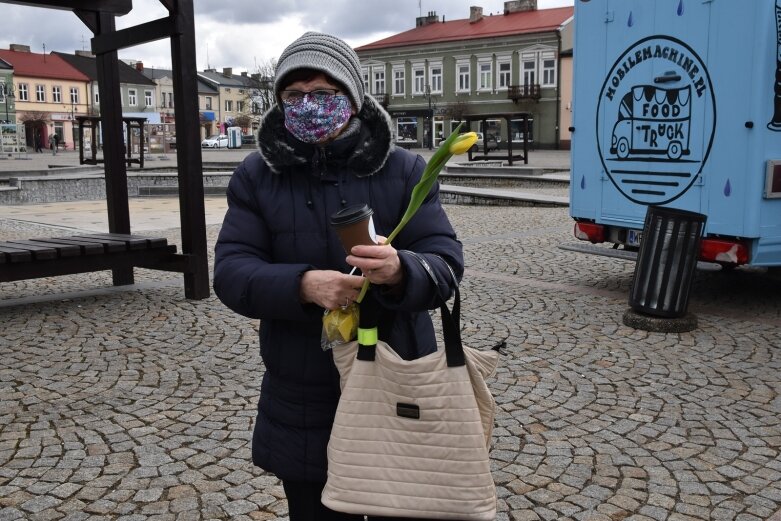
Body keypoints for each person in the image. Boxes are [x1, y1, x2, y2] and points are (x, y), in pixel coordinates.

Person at [213, 32, 464, 521]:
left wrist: (400, 270)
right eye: (294, 95)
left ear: (352, 98)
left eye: (323, 95)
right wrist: (303, 285)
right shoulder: (256, 175)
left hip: (396, 372)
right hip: (302, 385)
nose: (308, 105)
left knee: (402, 503)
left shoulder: (405, 169)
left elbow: (445, 262)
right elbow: (231, 271)